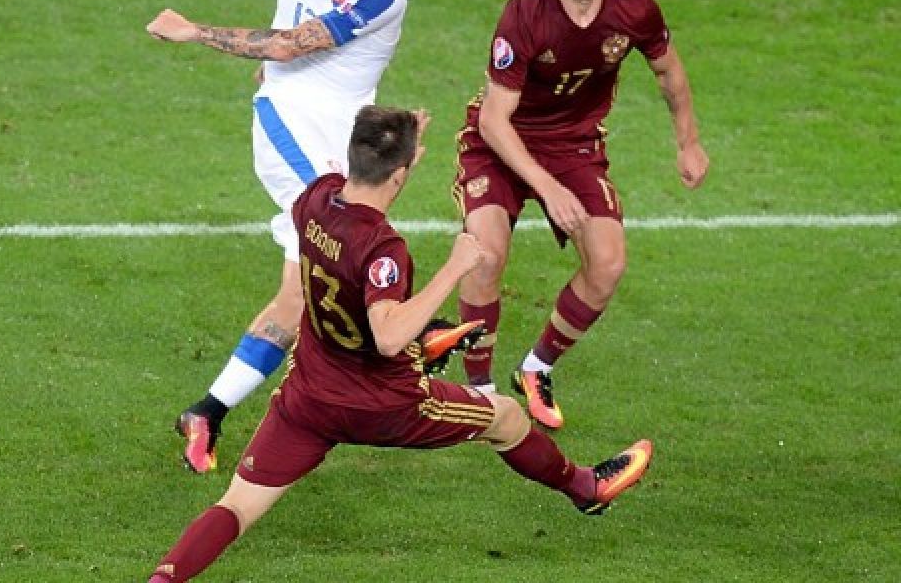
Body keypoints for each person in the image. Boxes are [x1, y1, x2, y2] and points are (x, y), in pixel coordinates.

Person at [146, 105, 653, 582]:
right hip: (384, 402)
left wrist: (402, 141)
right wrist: (455, 267)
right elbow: (388, 337)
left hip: (309, 397)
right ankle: (586, 488)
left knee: (235, 507)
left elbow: (360, 192)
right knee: (504, 417)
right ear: (402, 175)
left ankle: (162, 577)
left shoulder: (314, 200)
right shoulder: (383, 250)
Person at [146, 0, 408, 473]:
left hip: (342, 142)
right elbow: (290, 25)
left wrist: (194, 31)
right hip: (287, 128)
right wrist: (268, 66)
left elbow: (291, 42)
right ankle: (409, 341)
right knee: (345, 243)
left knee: (299, 294)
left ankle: (207, 412)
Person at [452, 0, 709, 429]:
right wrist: (547, 188)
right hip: (501, 143)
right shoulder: (525, 12)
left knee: (609, 263)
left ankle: (536, 367)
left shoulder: (635, 10)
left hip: (574, 145)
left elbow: (669, 75)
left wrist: (689, 141)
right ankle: (479, 392)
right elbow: (496, 121)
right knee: (484, 255)